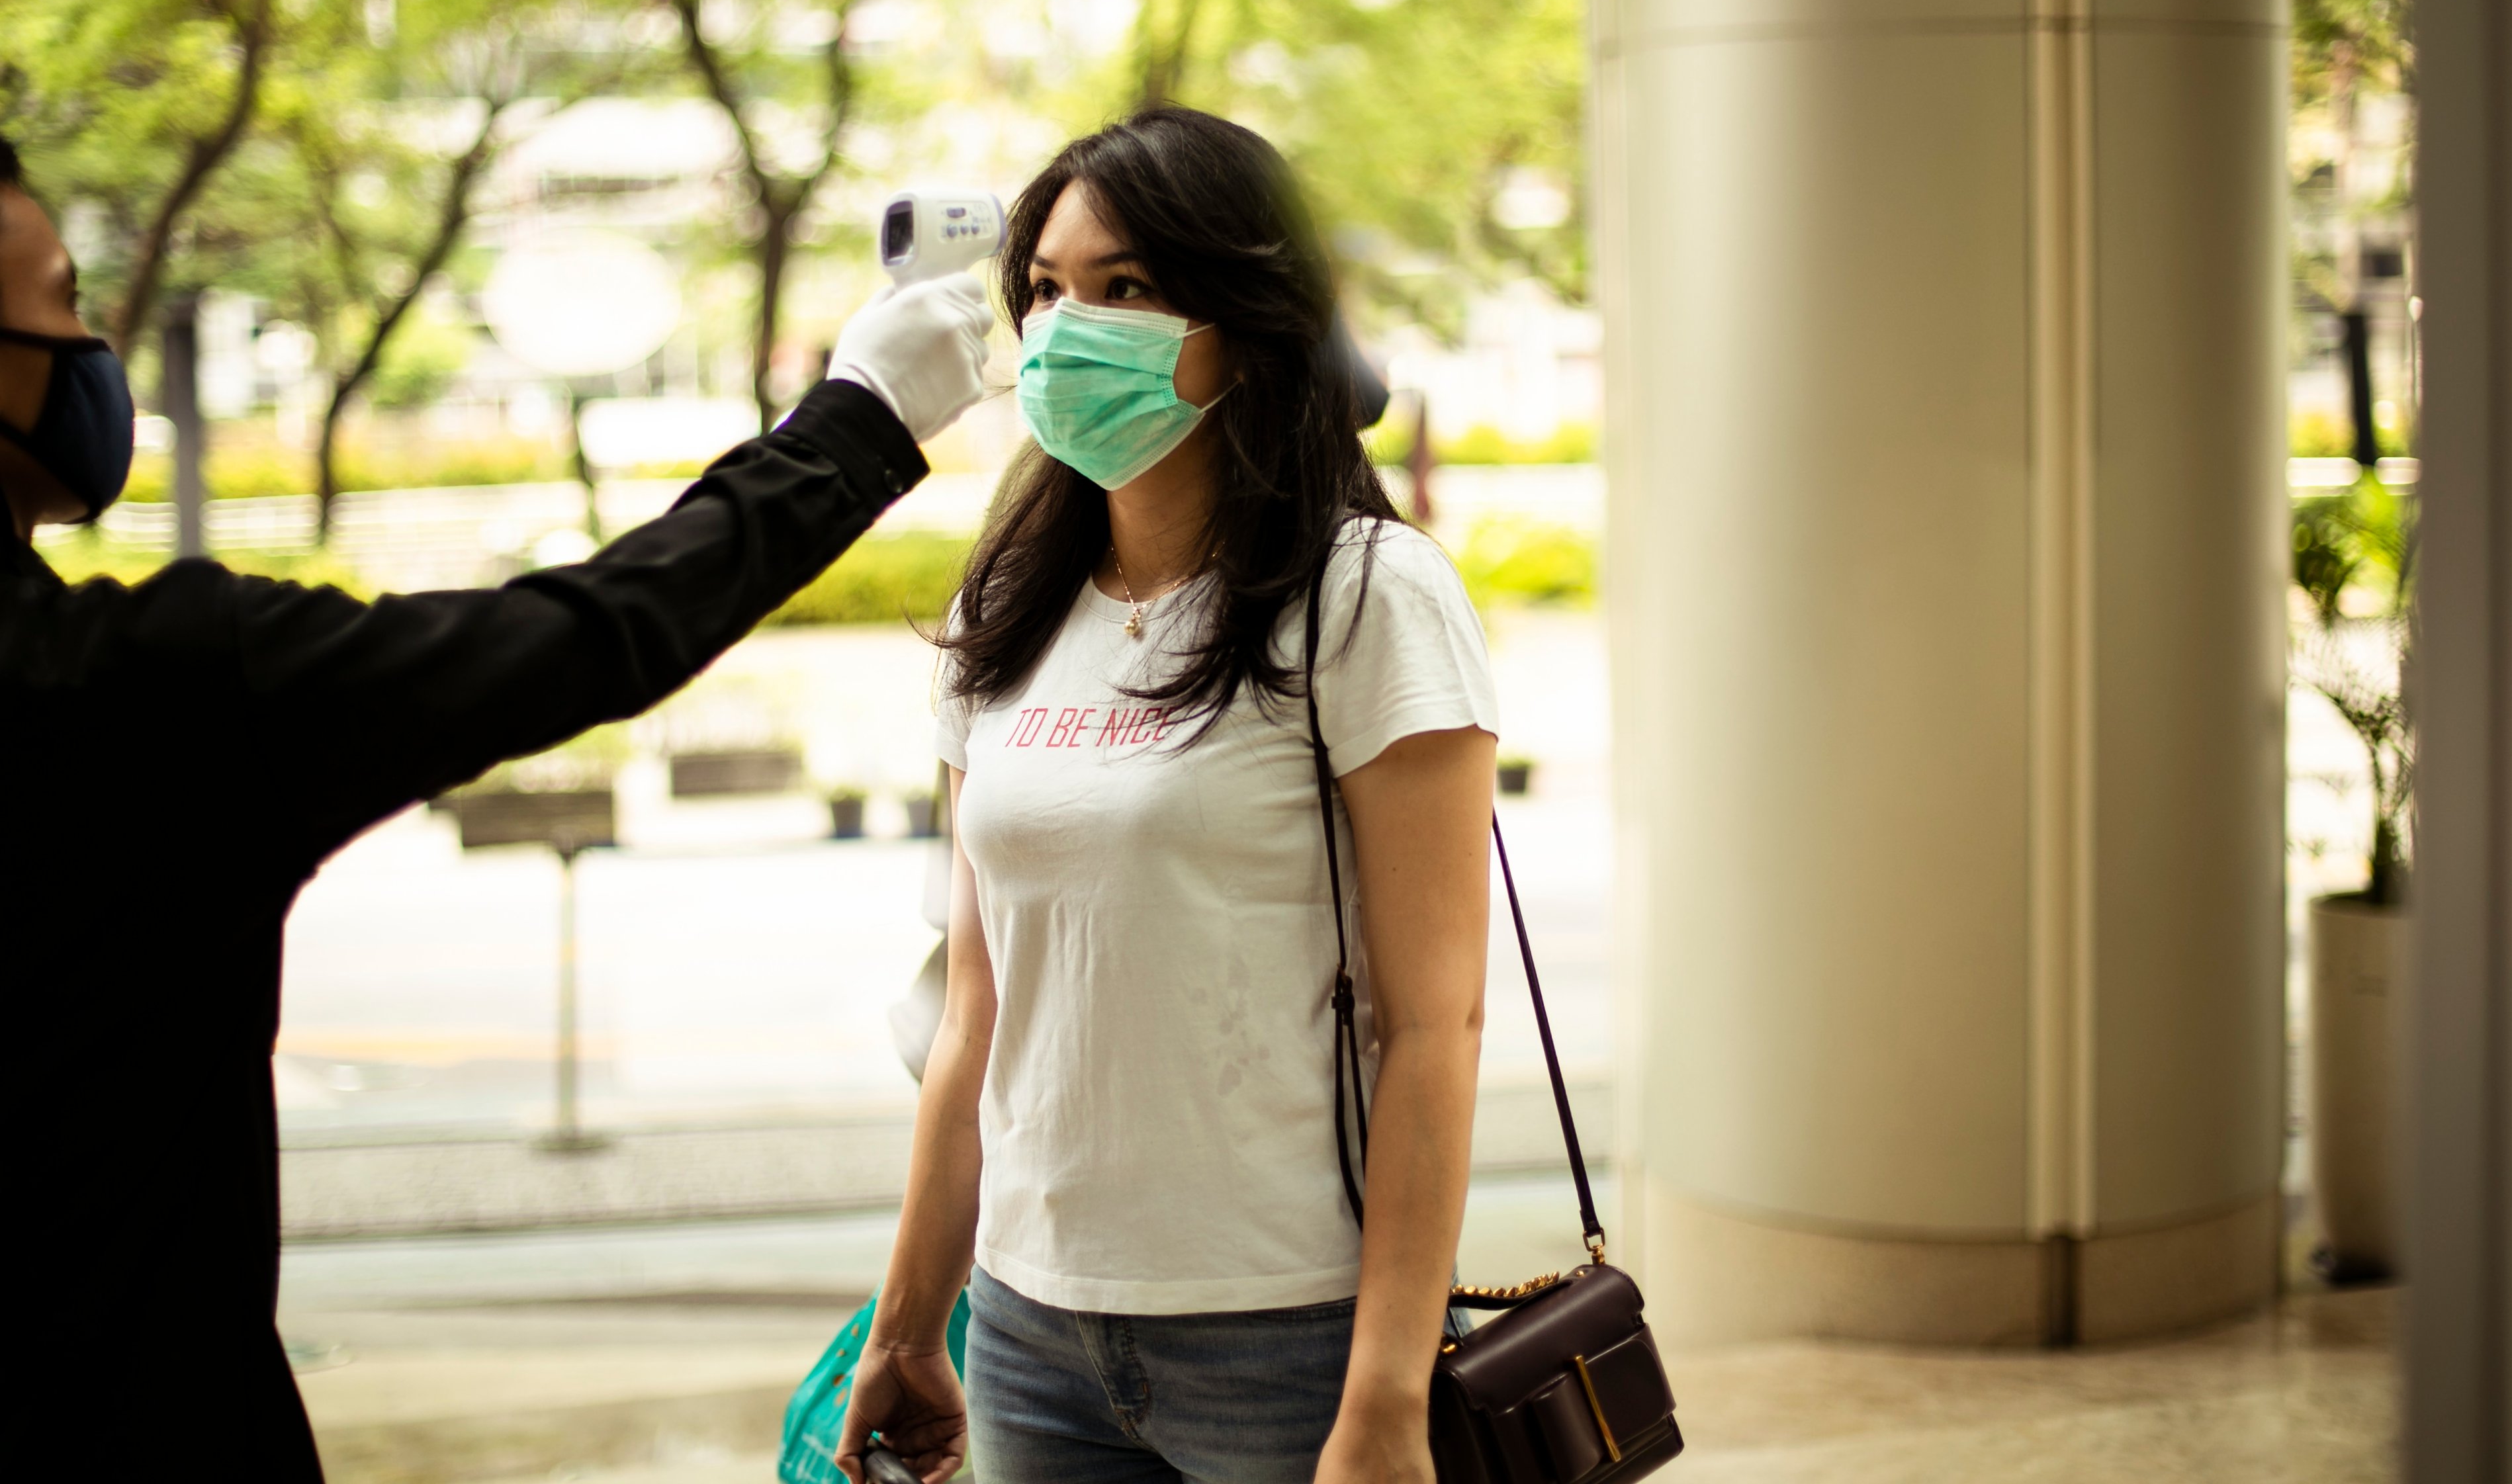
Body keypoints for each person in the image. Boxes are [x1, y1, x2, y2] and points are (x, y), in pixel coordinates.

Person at [0, 134, 994, 1478]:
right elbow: (586, 633)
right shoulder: (155, 690)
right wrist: (862, 422)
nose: (89, 346)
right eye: (61, 303)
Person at [844, 107, 1500, 1484]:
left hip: (1288, 1333)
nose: (1070, 324)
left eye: (1127, 287)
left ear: (1248, 322)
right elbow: (976, 1008)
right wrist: (911, 1319)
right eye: (1046, 288)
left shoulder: (1367, 594)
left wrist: (1383, 1392)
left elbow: (1435, 1024)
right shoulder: (1007, 606)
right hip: (1030, 1326)